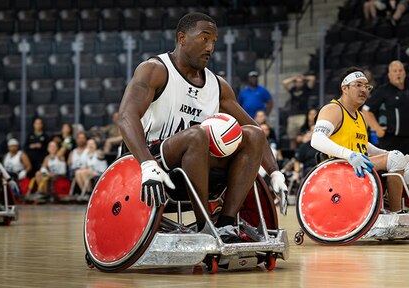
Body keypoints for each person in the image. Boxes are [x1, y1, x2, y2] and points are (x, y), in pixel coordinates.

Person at [117, 12, 288, 243]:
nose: (210, 47)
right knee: (198, 135)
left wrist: (274, 171)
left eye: (214, 41)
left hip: (198, 163)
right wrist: (147, 163)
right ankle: (204, 226)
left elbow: (253, 126)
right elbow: (126, 115)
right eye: (204, 38)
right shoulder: (155, 69)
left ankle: (226, 225)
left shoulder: (218, 85)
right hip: (153, 160)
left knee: (253, 134)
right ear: (182, 38)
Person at [311, 67, 409, 213]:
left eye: (366, 86)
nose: (364, 90)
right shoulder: (333, 109)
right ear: (344, 88)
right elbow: (316, 140)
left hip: (359, 166)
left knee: (405, 163)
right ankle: (395, 213)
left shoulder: (360, 116)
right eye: (358, 85)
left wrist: (386, 153)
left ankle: (391, 204)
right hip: (340, 168)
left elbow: (364, 144)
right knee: (395, 159)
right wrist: (349, 155)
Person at [363, 60, 409, 155]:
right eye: (395, 71)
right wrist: (377, 128)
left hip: (407, 139)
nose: (398, 73)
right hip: (390, 140)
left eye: (400, 70)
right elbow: (366, 110)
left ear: (404, 73)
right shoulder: (382, 91)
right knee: (392, 168)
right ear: (389, 75)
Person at [282, 74, 316, 149]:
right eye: (297, 82)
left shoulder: (306, 88)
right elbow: (285, 83)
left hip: (302, 115)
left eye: (300, 82)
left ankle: (303, 151)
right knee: (292, 138)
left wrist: (303, 78)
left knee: (303, 136)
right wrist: (294, 78)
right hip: (292, 115)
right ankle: (293, 154)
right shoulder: (293, 89)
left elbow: (312, 78)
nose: (299, 83)